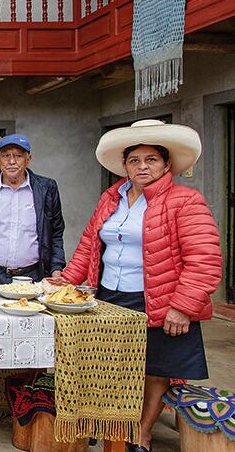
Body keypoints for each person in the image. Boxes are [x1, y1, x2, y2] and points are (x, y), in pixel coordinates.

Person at [57, 120, 221, 452]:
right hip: (109, 295)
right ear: (125, 165)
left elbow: (204, 258)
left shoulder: (184, 201)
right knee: (110, 365)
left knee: (155, 369)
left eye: (151, 160)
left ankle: (142, 432)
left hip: (159, 299)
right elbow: (90, 244)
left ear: (166, 164)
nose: (142, 166)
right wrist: (65, 281)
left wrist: (182, 306)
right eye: (135, 160)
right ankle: (112, 423)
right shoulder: (111, 198)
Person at [0, 133, 66, 284]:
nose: (11, 161)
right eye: (6, 156)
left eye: (18, 156)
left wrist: (56, 269)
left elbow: (56, 233)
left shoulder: (46, 189)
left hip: (33, 277)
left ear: (28, 159)